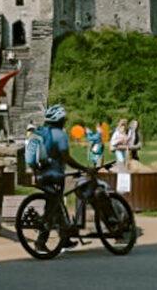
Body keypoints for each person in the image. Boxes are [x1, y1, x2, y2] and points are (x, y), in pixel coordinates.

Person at [35, 104, 89, 251]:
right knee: (52, 208)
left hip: (42, 174)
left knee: (57, 205)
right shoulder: (60, 134)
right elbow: (66, 158)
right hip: (56, 175)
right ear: (60, 120)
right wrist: (83, 168)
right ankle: (41, 242)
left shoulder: (42, 132)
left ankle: (64, 239)